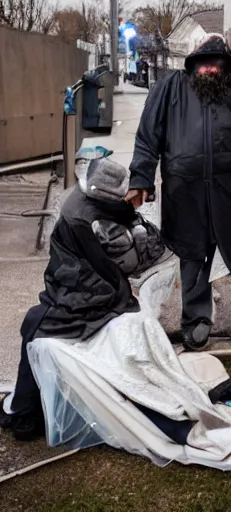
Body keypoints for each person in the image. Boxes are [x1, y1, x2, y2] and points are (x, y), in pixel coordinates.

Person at [125, 34, 231, 363]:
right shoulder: (170, 89)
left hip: (230, 197)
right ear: (193, 63)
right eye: (204, 64)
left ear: (227, 66)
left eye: (216, 65)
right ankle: (196, 321)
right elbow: (148, 136)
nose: (210, 71)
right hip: (185, 194)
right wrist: (141, 178)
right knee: (193, 259)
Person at [0, 158, 168, 441]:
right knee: (34, 324)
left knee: (34, 323)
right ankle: (25, 412)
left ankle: (24, 410)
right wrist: (120, 293)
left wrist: (136, 224)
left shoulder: (102, 203)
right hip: (77, 288)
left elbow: (126, 246)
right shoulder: (80, 217)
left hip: (93, 284)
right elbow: (91, 269)